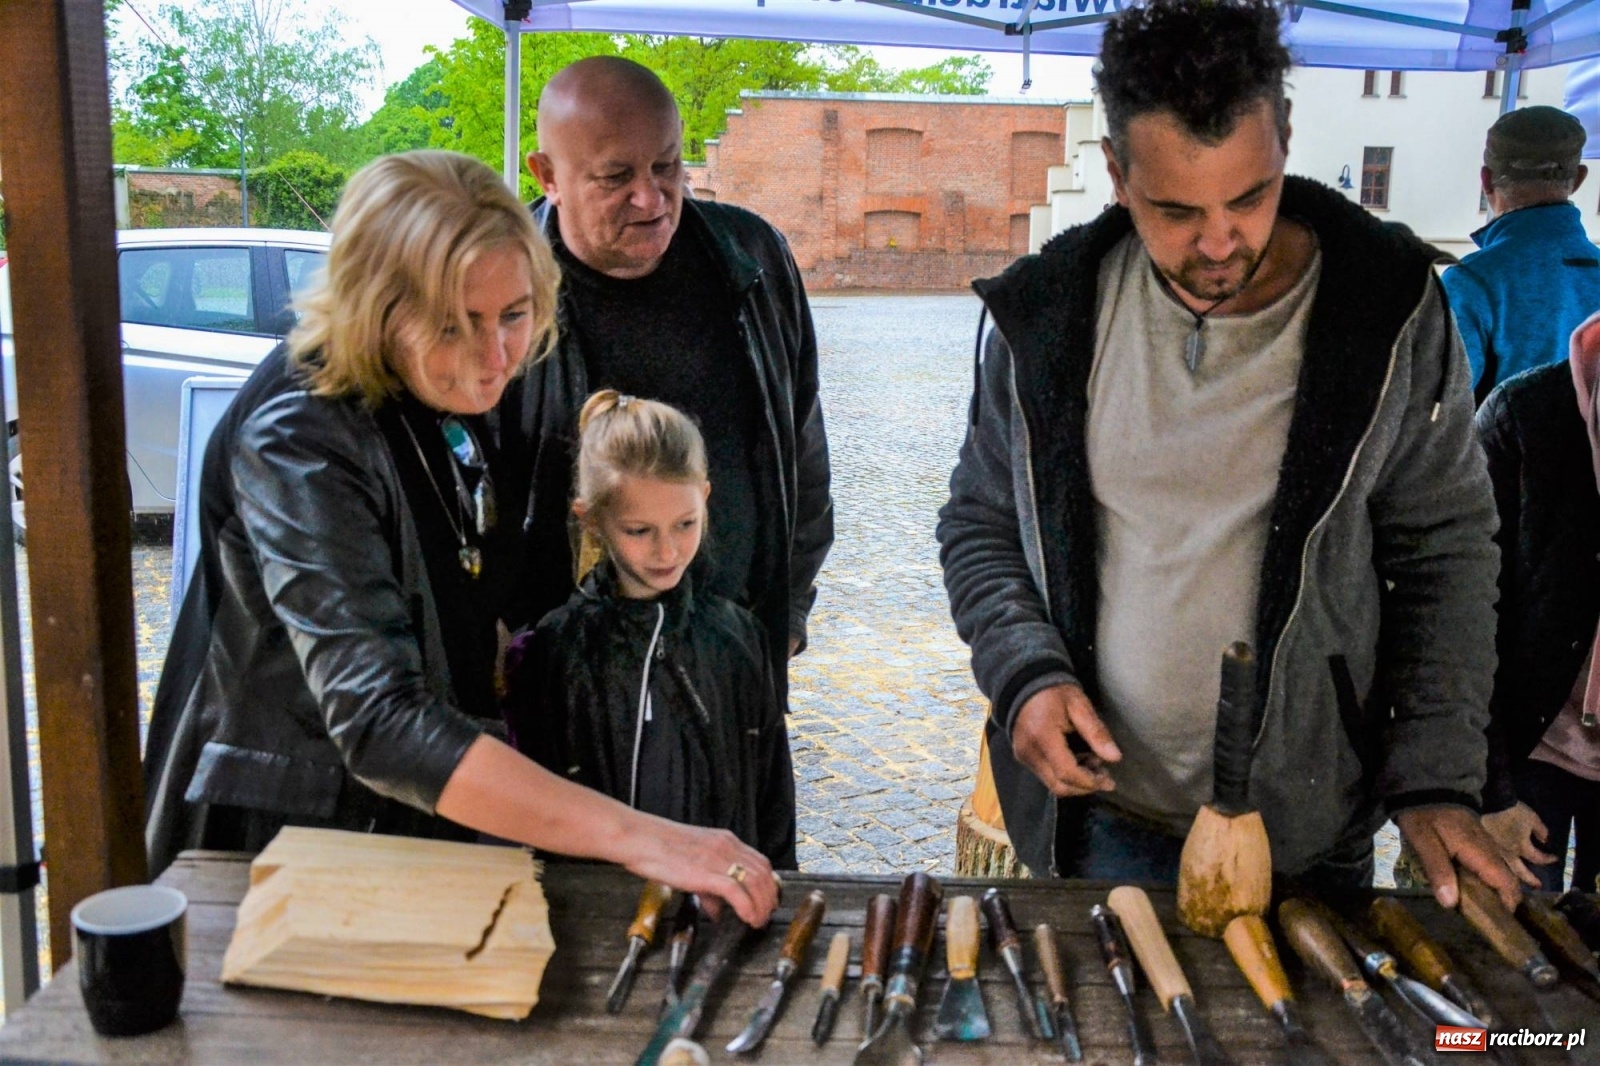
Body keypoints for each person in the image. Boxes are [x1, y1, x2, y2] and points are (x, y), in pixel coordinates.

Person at [937, 0, 1521, 908]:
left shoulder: (1389, 308)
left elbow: (1446, 547)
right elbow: (979, 524)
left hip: (1306, 820)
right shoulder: (1042, 316)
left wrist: (1438, 777)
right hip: (1104, 811)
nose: (1218, 243)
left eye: (1249, 196)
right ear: (1117, 175)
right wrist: (1025, 674)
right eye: (1175, 210)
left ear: (1285, 139)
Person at [141, 151, 778, 926]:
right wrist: (643, 838)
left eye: (515, 315)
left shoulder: (446, 381)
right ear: (379, 309)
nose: (496, 358)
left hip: (407, 819)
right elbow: (377, 717)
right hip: (289, 846)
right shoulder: (299, 435)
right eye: (454, 325)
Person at [517, 56, 833, 701]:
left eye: (667, 165)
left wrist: (788, 617)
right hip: (569, 679)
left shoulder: (756, 256)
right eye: (616, 176)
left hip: (735, 658)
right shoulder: (508, 285)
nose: (652, 197)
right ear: (547, 175)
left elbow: (802, 449)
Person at [503, 391, 795, 868]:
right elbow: (535, 814)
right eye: (639, 531)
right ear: (592, 520)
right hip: (598, 908)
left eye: (685, 524)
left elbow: (773, 795)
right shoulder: (553, 651)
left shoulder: (739, 638)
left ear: (704, 497)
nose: (667, 552)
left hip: (722, 904)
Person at [1475, 313, 1600, 893]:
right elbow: (1460, 617)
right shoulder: (1524, 415)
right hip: (1529, 749)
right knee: (1518, 945)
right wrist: (1487, 789)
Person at [1442, 105, 1600, 402]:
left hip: (1498, 447)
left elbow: (1443, 410)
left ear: (1486, 180)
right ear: (1578, 179)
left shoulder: (1471, 282)